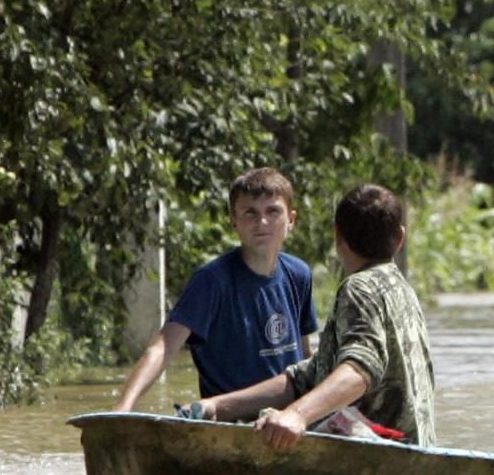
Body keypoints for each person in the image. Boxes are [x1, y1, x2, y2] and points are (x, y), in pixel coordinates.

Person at [197, 183, 436, 450]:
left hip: (382, 453)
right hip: (419, 449)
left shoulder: (358, 288)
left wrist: (296, 414)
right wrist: (219, 405)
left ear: (338, 236)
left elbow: (360, 369)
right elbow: (311, 374)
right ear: (400, 238)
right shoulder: (401, 286)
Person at [113, 167, 318, 412]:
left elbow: (306, 356)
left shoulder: (299, 274)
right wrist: (123, 407)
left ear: (291, 220)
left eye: (272, 211)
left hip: (287, 416)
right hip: (228, 416)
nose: (262, 222)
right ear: (234, 221)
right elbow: (162, 348)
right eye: (250, 213)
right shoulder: (211, 281)